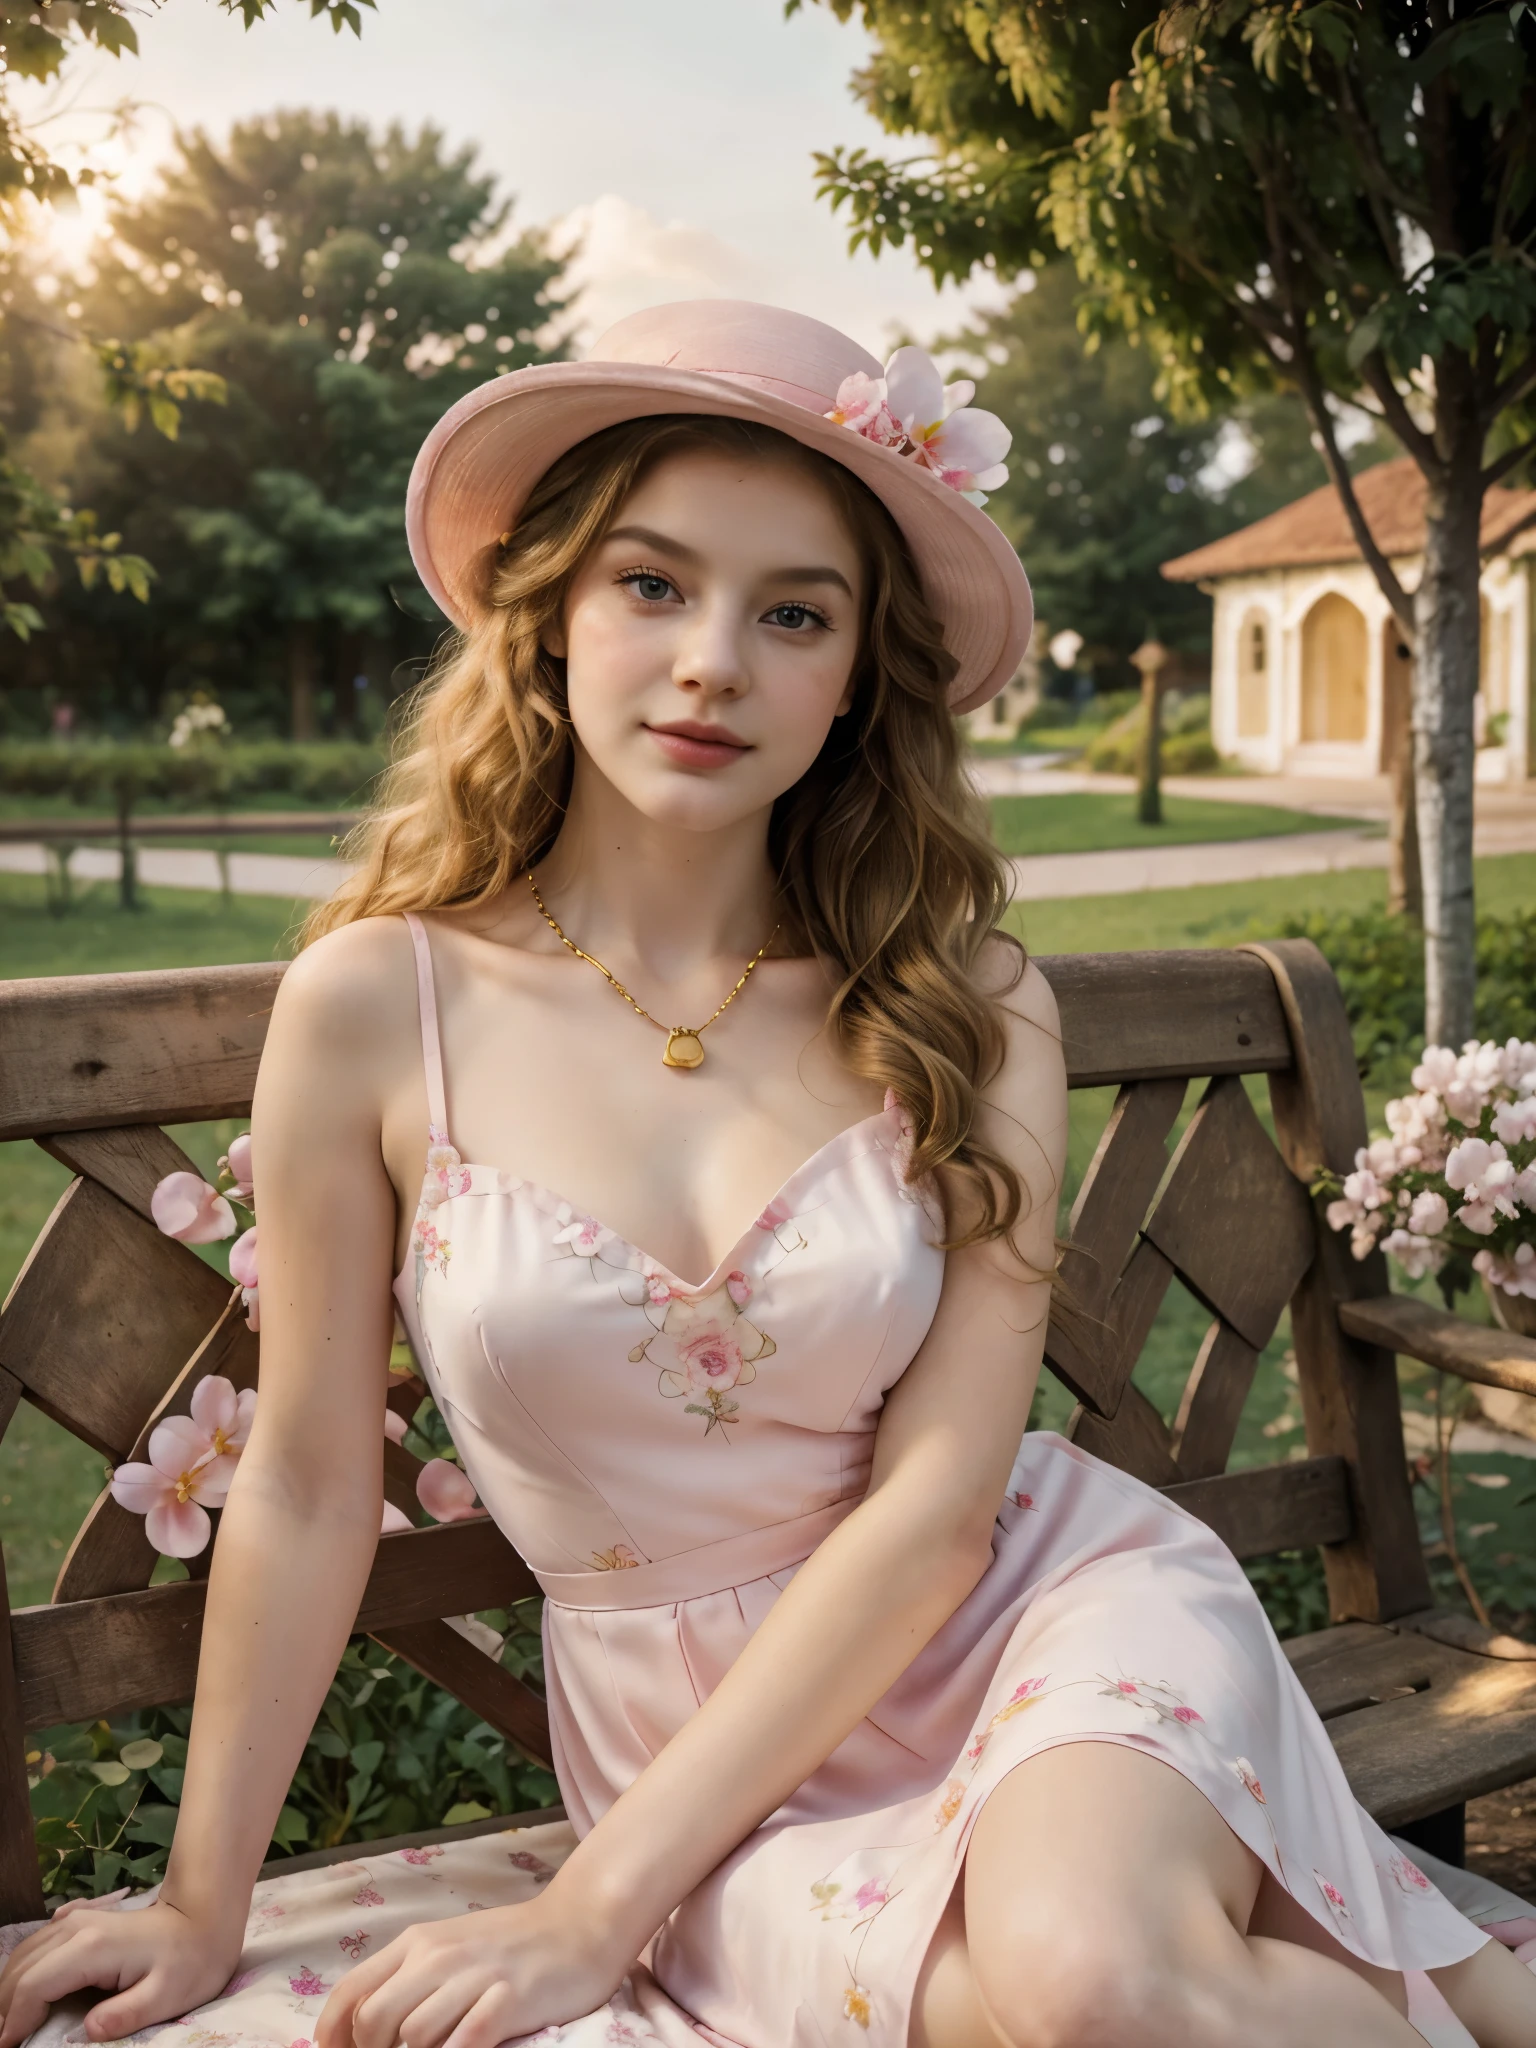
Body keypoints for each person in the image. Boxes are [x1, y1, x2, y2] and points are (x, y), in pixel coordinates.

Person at [2, 301, 1533, 2048]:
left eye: (792, 612)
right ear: (552, 613)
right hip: (689, 1761)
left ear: (856, 676)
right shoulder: (377, 1006)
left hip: (1028, 1607)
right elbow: (300, 1484)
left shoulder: (967, 1010)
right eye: (652, 584)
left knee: (1101, 1977)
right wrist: (201, 1904)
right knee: (1098, 2006)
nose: (715, 658)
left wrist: (589, 1914)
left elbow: (948, 1504)